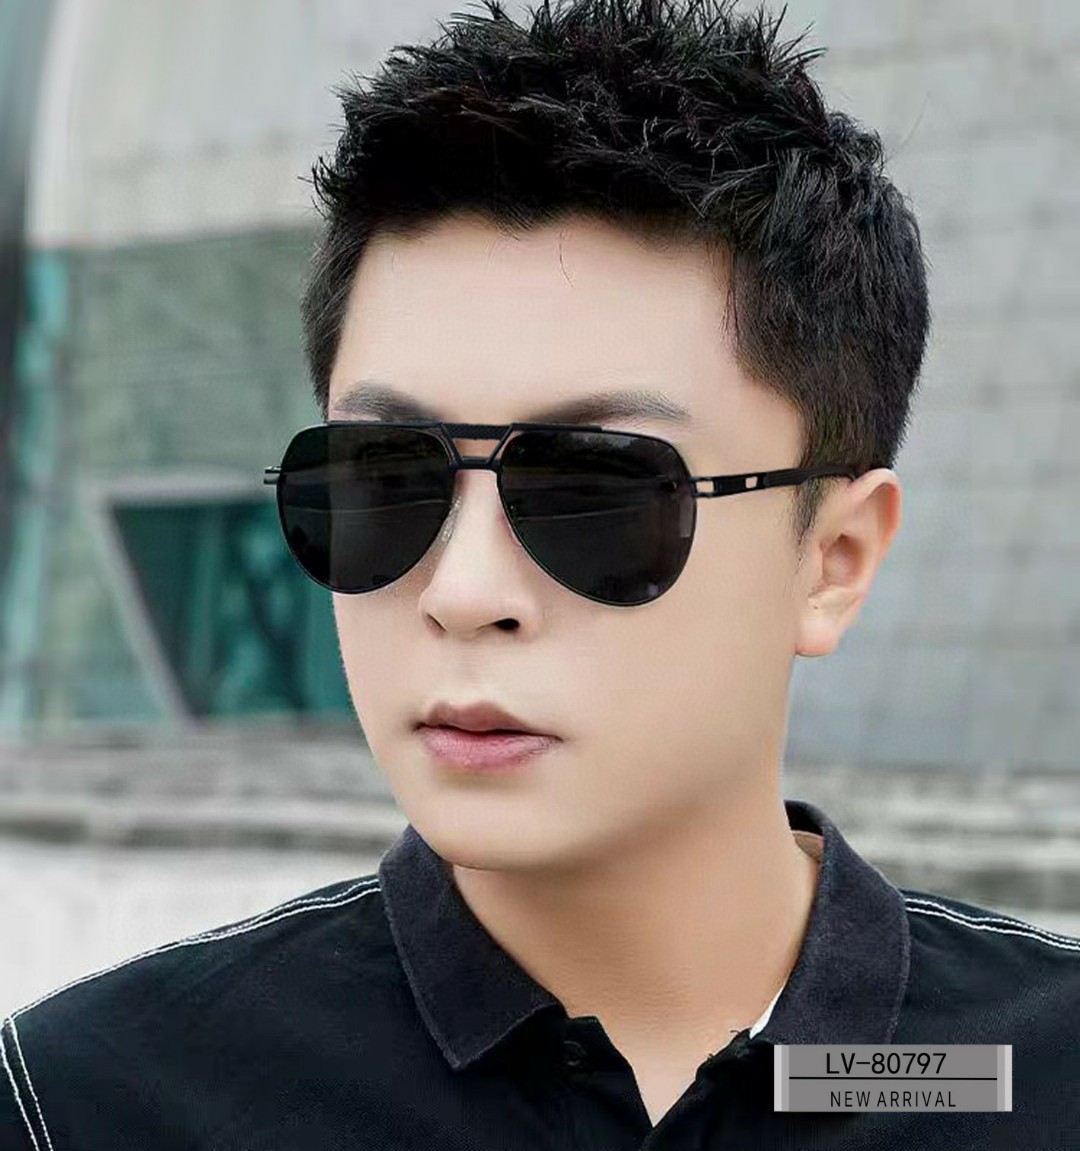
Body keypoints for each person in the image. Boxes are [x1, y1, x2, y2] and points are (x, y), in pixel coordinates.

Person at [3, 1, 1077, 1147]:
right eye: (387, 478)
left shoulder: (1039, 1073)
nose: (463, 591)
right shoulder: (93, 1102)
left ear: (835, 559)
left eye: (593, 490)